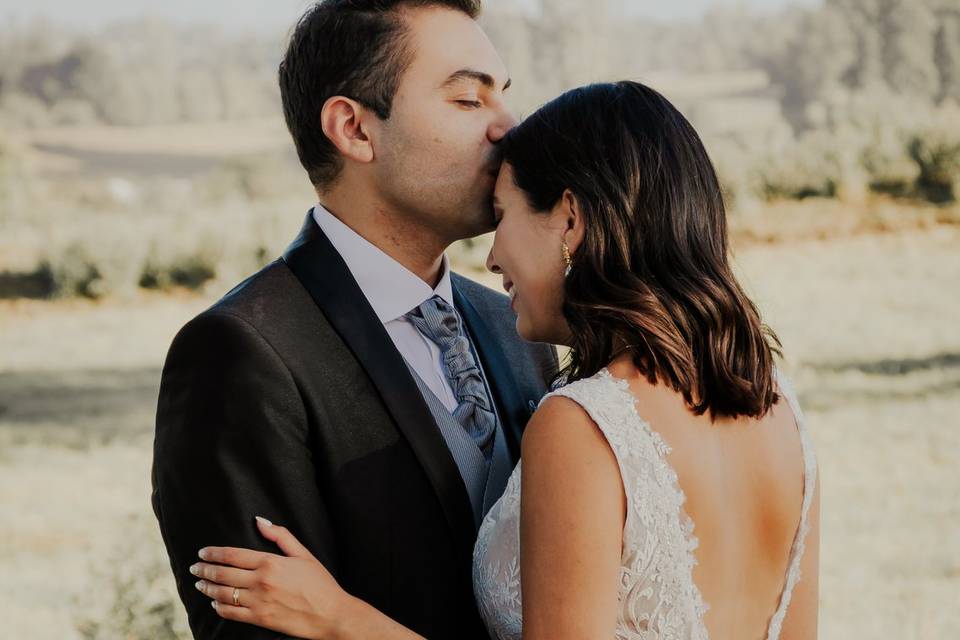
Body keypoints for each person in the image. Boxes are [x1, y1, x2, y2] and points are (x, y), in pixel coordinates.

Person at [188, 81, 821, 640]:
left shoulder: (585, 423)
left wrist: (339, 618)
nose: (491, 258)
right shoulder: (779, 411)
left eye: (504, 214)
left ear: (569, 220)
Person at [150, 1, 558, 638]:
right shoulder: (239, 352)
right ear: (355, 129)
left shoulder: (518, 326)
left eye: (503, 97)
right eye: (468, 101)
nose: (511, 128)